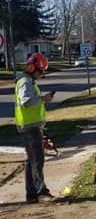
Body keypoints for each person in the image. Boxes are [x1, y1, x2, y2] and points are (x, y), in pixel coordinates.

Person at [14, 52, 56, 204]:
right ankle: (40, 192)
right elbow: (26, 102)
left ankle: (32, 194)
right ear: (34, 68)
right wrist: (43, 99)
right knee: (37, 161)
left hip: (31, 126)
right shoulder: (25, 82)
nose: (41, 74)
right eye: (41, 71)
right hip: (29, 127)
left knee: (32, 160)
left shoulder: (28, 81)